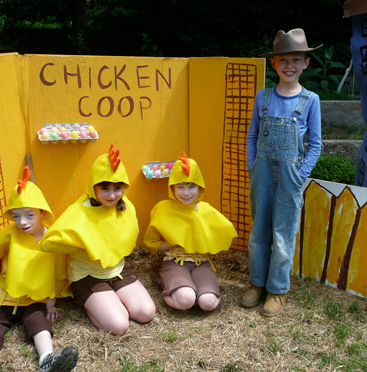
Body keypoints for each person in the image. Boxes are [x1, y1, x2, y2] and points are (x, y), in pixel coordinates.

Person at [241, 28, 322, 316]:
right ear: (273, 63)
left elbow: (316, 143)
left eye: (296, 60)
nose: (289, 66)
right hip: (261, 173)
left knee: (283, 234)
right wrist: (252, 165)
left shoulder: (310, 100)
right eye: (283, 60)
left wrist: (300, 175)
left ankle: (277, 290)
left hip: (290, 177)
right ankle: (257, 283)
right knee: (259, 231)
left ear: (306, 64)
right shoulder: (263, 97)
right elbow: (252, 136)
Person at [0, 166, 78, 372]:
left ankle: (47, 359)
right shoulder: (10, 234)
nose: (22, 222)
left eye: (29, 215)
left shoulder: (52, 239)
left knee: (40, 324)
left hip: (34, 298)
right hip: (4, 295)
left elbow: (57, 272)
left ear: (42, 213)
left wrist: (51, 303)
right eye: (16, 216)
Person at [39, 145, 155, 335]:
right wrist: (81, 246)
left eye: (117, 188)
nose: (111, 195)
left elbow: (127, 237)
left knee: (146, 313)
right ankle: (89, 304)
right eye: (104, 188)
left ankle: (110, 300)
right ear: (93, 186)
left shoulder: (125, 207)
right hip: (87, 276)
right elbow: (48, 242)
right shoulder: (80, 210)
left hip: (118, 270)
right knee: (119, 326)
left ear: (124, 187)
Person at [143, 152, 237, 311]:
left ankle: (195, 290)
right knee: (186, 300)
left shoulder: (207, 211)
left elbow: (222, 234)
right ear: (172, 188)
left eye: (191, 186)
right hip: (175, 261)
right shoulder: (163, 209)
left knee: (208, 303)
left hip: (201, 263)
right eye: (180, 187)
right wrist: (175, 240)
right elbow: (152, 244)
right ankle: (170, 286)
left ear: (200, 187)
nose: (186, 193)